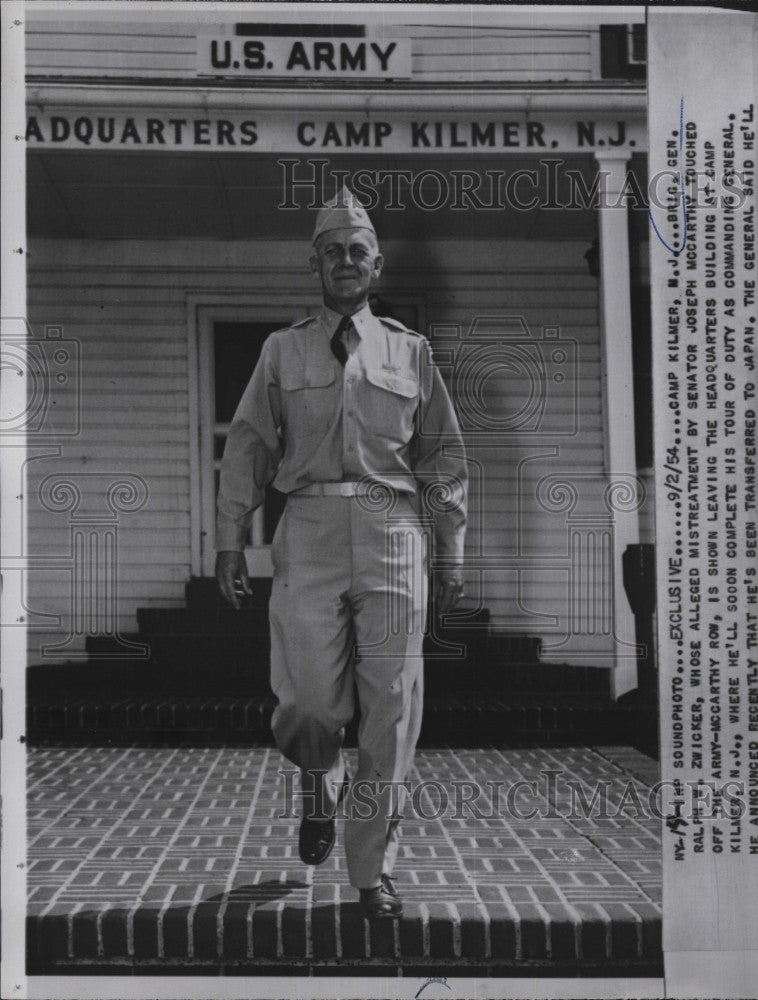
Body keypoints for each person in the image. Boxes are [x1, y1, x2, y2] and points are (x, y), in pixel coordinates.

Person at [215, 187, 467, 919]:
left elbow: (444, 456)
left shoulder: (410, 352)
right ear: (316, 263)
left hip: (393, 533)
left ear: (376, 264)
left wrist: (449, 552)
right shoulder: (281, 349)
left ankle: (370, 874)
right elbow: (250, 448)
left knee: (393, 709)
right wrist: (233, 536)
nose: (346, 262)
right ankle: (314, 777)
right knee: (308, 704)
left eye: (358, 251)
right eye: (333, 251)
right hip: (309, 531)